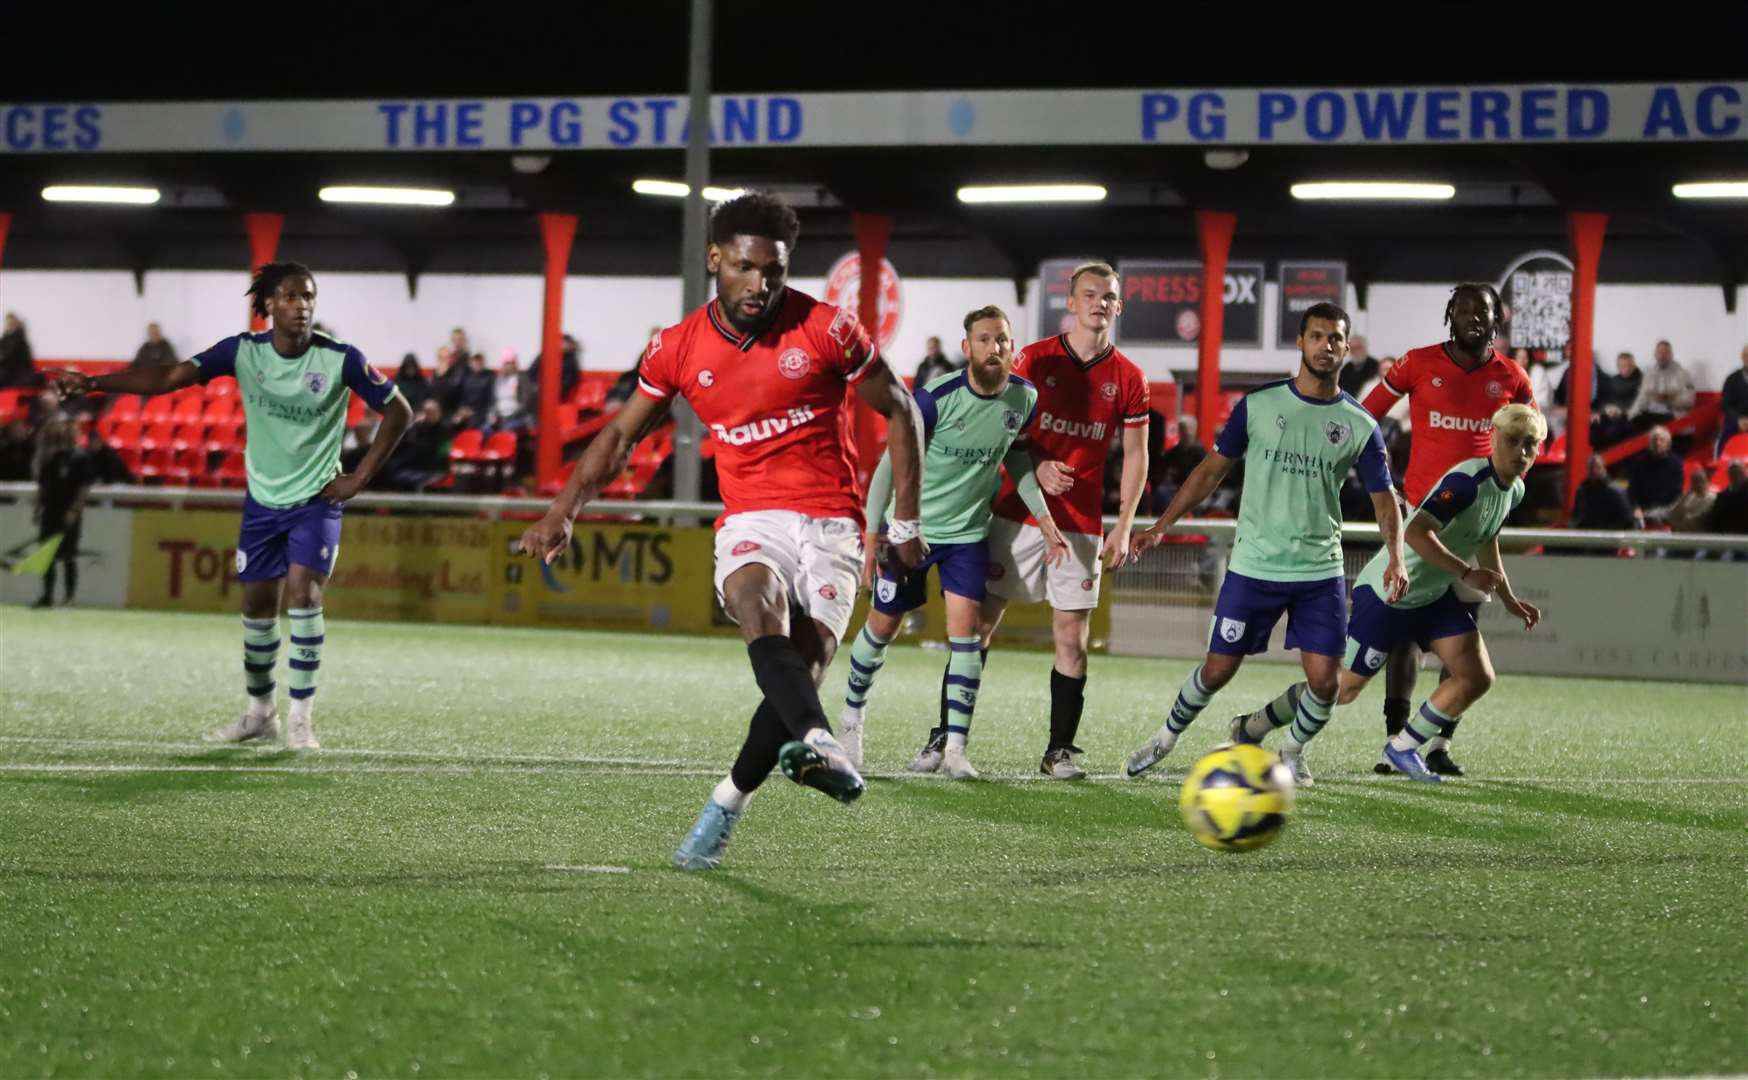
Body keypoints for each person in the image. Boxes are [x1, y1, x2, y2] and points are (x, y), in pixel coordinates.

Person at [516, 193, 924, 872]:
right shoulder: (678, 348)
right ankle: (821, 744)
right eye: (744, 267)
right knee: (754, 602)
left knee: (807, 665)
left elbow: (902, 409)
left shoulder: (827, 328)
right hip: (752, 517)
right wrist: (564, 508)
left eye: (774, 271)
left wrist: (905, 521)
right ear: (715, 260)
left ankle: (728, 801)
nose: (760, 285)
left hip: (832, 521)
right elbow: (619, 436)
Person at [46, 262, 412, 750]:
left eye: (308, 297)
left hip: (315, 501)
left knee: (304, 597)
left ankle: (301, 720)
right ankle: (260, 714)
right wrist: (94, 383)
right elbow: (171, 377)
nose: (300, 306)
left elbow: (399, 410)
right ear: (267, 306)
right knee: (257, 610)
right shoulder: (241, 352)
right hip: (263, 501)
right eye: (289, 297)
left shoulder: (340, 360)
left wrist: (359, 479)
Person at [1124, 302, 1405, 785]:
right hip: (1253, 566)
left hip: (1318, 571)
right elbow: (1210, 471)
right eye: (1316, 336)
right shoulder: (1258, 405)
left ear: (1346, 347)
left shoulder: (1360, 425)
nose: (1326, 346)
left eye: (1335, 338)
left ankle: (1290, 750)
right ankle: (1165, 738)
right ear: (1300, 343)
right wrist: (1161, 524)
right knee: (1216, 671)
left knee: (1327, 683)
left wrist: (1397, 558)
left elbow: (1385, 500)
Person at [908, 262, 1151, 781]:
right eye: (1089, 294)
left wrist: (1125, 522)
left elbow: (1136, 454)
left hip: (1081, 525)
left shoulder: (1129, 378)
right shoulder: (1031, 359)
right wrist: (1036, 465)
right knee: (977, 627)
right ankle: (945, 736)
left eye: (1108, 297)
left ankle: (1058, 751)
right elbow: (997, 428)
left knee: (1071, 638)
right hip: (1015, 514)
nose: (1099, 303)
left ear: (1119, 306)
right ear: (1071, 301)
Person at [838, 305, 1070, 779]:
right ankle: (850, 723)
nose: (994, 348)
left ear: (1012, 347)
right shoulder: (934, 399)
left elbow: (1018, 460)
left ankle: (956, 750)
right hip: (910, 530)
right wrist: (873, 530)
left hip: (967, 535)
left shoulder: (1023, 399)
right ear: (967, 348)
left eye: (1002, 339)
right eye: (984, 339)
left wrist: (1044, 519)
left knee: (967, 638)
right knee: (882, 629)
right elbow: (888, 464)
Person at [1357, 283, 1535, 777]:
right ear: (1449, 315)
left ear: (1497, 319)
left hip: (1470, 525)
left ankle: (1436, 744)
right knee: (1404, 637)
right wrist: (1382, 478)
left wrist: (1501, 495)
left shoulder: (1512, 377)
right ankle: (1394, 738)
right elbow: (1363, 417)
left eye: (1483, 311)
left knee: (1460, 634)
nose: (1472, 317)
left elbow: (1531, 435)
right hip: (1418, 519)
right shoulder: (1417, 363)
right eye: (1463, 309)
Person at [1327, 404, 1546, 782]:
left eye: (1531, 444)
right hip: (1390, 590)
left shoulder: (1515, 490)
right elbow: (1415, 533)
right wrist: (1466, 573)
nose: (1521, 452)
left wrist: (1510, 599)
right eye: (1513, 441)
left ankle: (1401, 749)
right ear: (1493, 438)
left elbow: (1486, 538)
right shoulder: (1466, 481)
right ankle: (1259, 724)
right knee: (1342, 690)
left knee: (1476, 676)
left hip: (1433, 596)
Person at [29, 416, 95, 608]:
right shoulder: (54, 458)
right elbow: (43, 485)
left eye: (71, 431)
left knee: (69, 555)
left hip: (67, 512)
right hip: (50, 511)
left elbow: (84, 487)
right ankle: (47, 596)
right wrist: (37, 507)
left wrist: (74, 510)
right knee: (46, 555)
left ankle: (69, 597)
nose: (66, 434)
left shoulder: (82, 458)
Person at [1629, 340, 1695, 434]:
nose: (1662, 355)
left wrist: (1667, 399)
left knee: (1645, 421)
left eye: (1665, 352)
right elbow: (1641, 399)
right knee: (1631, 422)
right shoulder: (1649, 374)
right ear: (1655, 354)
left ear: (1671, 355)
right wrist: (1629, 416)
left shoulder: (1682, 374)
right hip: (1651, 415)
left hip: (1674, 416)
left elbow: (1689, 402)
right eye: (1659, 352)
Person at [1628, 425, 1685, 527]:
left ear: (1668, 444)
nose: (1658, 443)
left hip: (1665, 510)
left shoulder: (1676, 463)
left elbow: (1676, 492)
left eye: (1661, 440)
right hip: (1643, 510)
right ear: (1650, 443)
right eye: (1655, 440)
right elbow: (1632, 490)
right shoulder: (1639, 463)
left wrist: (1656, 510)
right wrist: (1636, 508)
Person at [1718, 344, 1748, 455]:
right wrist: (1738, 420)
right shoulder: (1732, 379)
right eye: (1746, 355)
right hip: (1735, 422)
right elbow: (1725, 405)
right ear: (1742, 357)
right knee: (1724, 439)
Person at [0, 312, 36, 389]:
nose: (8, 326)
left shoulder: (20, 342)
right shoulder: (4, 340)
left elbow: (8, 358)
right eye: (7, 324)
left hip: (16, 374)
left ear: (16, 325)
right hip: (8, 373)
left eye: (11, 324)